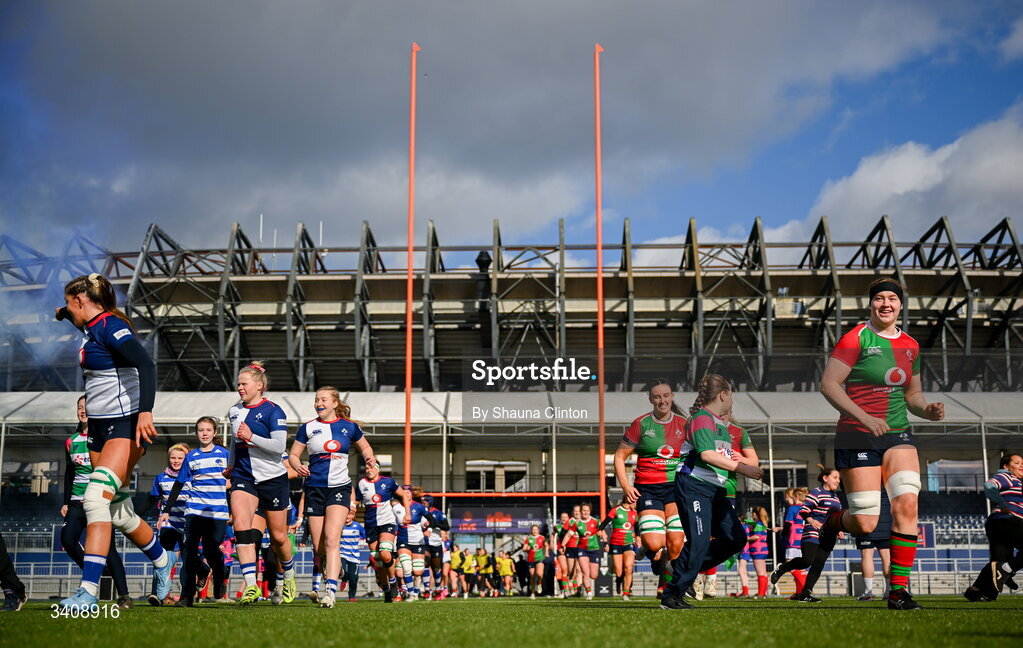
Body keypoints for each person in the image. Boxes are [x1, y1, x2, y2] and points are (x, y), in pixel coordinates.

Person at [818, 277, 944, 610]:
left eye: (892, 298)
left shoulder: (911, 346)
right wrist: (864, 417)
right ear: (870, 304)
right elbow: (829, 384)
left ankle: (898, 591)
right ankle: (833, 519)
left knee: (907, 504)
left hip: (898, 432)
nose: (885, 304)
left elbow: (912, 394)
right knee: (866, 522)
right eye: (879, 299)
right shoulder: (855, 337)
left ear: (901, 305)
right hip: (856, 434)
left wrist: (927, 410)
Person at [56, 273, 172, 611]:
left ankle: (88, 592)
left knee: (94, 500)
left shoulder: (110, 326)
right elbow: (82, 325)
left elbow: (146, 364)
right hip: (99, 429)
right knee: (118, 511)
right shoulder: (92, 328)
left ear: (81, 301)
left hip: (126, 425)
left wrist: (146, 413)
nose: (68, 308)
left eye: (69, 303)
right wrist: (62, 314)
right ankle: (163, 559)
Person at [660, 374, 764, 611]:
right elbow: (707, 455)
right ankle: (671, 595)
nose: (732, 401)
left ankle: (679, 567)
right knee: (697, 541)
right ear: (724, 395)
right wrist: (744, 468)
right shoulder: (702, 419)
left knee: (735, 538)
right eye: (732, 395)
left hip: (715, 491)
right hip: (694, 486)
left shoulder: (721, 425)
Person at [288, 387, 375, 608]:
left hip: (339, 488)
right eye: (316, 399)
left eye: (324, 399)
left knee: (331, 540)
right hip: (314, 490)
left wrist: (369, 459)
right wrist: (298, 466)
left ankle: (330, 592)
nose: (319, 403)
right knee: (319, 548)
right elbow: (294, 455)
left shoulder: (349, 427)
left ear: (335, 403)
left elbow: (365, 447)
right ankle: (340, 570)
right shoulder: (307, 428)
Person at [225, 361, 297, 605]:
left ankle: (288, 575)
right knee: (241, 529)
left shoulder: (274, 411)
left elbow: (278, 448)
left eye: (244, 383)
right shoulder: (234, 411)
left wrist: (252, 437)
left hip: (272, 479)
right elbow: (235, 442)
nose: (239, 387)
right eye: (238, 384)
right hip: (243, 477)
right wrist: (232, 464)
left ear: (259, 385)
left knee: (278, 537)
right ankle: (251, 585)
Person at [615, 380, 688, 596]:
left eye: (666, 395)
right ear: (650, 399)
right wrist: (626, 486)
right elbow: (619, 457)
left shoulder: (685, 424)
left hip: (676, 489)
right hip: (648, 489)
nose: (662, 400)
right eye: (657, 397)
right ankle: (650, 552)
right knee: (655, 543)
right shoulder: (641, 424)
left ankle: (670, 591)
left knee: (675, 544)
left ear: (672, 396)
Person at [60, 395, 132, 608]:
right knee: (67, 539)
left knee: (109, 550)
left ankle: (125, 597)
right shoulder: (71, 441)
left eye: (87, 407)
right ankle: (95, 572)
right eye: (80, 407)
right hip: (76, 502)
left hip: (100, 501)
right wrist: (66, 501)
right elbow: (69, 473)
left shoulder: (104, 439)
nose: (83, 411)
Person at [159, 416, 231, 606]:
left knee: (211, 549)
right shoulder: (191, 456)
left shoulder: (225, 454)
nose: (205, 433)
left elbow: (236, 480)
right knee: (189, 552)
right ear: (196, 433)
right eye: (201, 430)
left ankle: (219, 571)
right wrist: (166, 510)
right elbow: (179, 484)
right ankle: (186, 596)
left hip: (217, 512)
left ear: (214, 433)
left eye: (208, 430)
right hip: (194, 511)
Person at [770, 467, 843, 602]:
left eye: (839, 478)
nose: (838, 481)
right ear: (825, 478)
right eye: (835, 477)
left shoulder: (836, 497)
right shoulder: (816, 492)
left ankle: (806, 593)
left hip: (829, 536)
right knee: (807, 560)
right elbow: (804, 510)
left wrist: (839, 529)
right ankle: (782, 569)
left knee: (819, 563)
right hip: (812, 532)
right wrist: (811, 520)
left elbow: (835, 517)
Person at [965, 453, 1023, 601]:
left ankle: (977, 591)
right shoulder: (1007, 477)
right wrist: (1002, 504)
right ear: (1006, 466)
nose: (1021, 465)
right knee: (1002, 565)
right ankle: (1007, 570)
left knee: (997, 562)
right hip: (1008, 521)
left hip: (999, 523)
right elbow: (989, 486)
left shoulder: (1017, 482)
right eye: (1017, 462)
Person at [357, 462, 411, 602]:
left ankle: (393, 582)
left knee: (385, 554)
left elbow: (404, 495)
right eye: (367, 468)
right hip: (370, 525)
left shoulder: (388, 482)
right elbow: (355, 502)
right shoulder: (361, 484)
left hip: (387, 522)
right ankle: (386, 589)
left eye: (371, 467)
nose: (368, 470)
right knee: (378, 560)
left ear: (378, 469)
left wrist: (407, 514)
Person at [145, 443, 190, 605]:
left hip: (187, 523)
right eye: (173, 457)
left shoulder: (192, 476)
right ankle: (157, 594)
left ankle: (186, 595)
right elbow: (152, 500)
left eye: (180, 458)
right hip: (167, 523)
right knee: (162, 559)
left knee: (188, 561)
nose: (176, 461)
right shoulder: (160, 478)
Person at [855, 490, 892, 601]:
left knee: (867, 554)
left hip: (866, 517)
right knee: (886, 555)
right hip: (886, 519)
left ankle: (868, 592)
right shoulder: (887, 477)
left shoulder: (864, 475)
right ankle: (889, 591)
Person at [599, 498, 638, 601]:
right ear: (629, 501)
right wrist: (602, 535)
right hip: (615, 544)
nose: (636, 504)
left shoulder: (635, 513)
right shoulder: (616, 510)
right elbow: (603, 524)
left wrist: (638, 538)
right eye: (635, 502)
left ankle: (625, 593)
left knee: (628, 568)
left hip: (628, 544)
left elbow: (637, 529)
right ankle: (618, 582)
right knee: (619, 572)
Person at [566, 503, 602, 600]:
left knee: (594, 575)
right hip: (582, 549)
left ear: (590, 511)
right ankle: (589, 593)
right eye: (584, 510)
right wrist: (562, 545)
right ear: (581, 512)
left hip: (594, 549)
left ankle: (583, 588)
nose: (585, 512)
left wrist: (605, 541)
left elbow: (602, 532)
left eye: (587, 510)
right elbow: (568, 535)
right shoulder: (577, 523)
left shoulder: (595, 521)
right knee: (585, 572)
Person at [421, 494, 451, 600]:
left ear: (430, 502)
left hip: (436, 543)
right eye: (421, 502)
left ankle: (438, 589)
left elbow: (447, 527)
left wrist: (433, 524)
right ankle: (427, 590)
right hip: (424, 543)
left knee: (436, 568)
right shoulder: (420, 512)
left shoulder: (438, 513)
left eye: (424, 502)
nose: (422, 504)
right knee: (424, 564)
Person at [778, 488, 808, 594]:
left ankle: (805, 588)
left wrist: (783, 533)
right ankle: (799, 593)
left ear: (795, 497)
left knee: (790, 564)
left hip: (794, 540)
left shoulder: (793, 508)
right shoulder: (806, 508)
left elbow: (788, 524)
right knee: (801, 568)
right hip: (804, 540)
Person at [340, 507, 367, 602]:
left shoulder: (357, 526)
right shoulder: (340, 525)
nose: (348, 516)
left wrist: (361, 540)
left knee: (353, 577)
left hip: (354, 555)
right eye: (346, 514)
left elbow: (365, 536)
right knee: (340, 571)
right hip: (342, 553)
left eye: (350, 514)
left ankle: (351, 596)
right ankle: (344, 578)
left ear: (353, 516)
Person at [521, 524, 548, 599]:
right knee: (532, 576)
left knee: (539, 573)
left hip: (539, 558)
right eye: (533, 530)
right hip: (531, 559)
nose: (534, 531)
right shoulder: (529, 538)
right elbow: (523, 548)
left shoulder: (542, 537)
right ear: (531, 531)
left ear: (538, 530)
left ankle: (539, 583)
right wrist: (527, 548)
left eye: (536, 529)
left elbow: (546, 545)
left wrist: (546, 553)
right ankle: (533, 593)